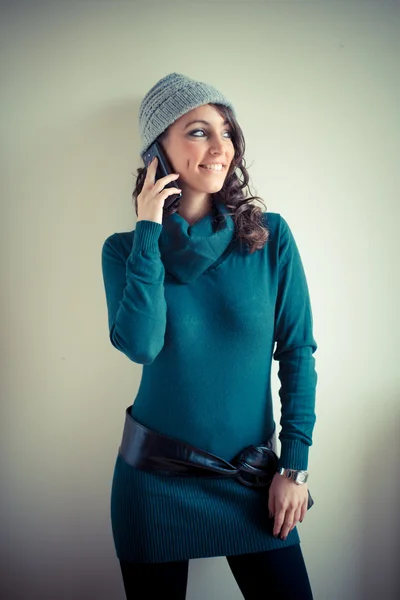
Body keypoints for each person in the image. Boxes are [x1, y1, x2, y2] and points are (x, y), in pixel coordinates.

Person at [101, 72, 318, 599]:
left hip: (252, 483)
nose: (221, 147)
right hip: (154, 485)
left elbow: (296, 353)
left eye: (226, 131)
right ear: (159, 150)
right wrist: (148, 230)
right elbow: (141, 345)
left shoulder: (270, 238)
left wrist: (296, 464)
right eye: (198, 131)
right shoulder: (124, 250)